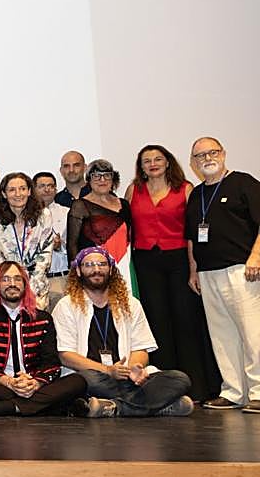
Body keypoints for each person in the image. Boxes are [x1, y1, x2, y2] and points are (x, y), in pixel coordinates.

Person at [126, 144, 219, 401]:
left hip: (179, 260)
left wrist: (193, 270)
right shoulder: (134, 190)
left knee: (186, 322)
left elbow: (192, 234)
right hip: (146, 263)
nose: (153, 164)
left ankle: (197, 388)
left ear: (168, 162)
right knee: (157, 324)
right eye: (147, 161)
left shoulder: (186, 188)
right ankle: (165, 389)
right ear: (141, 166)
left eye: (158, 159)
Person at [54, 247, 193, 417]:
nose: (96, 269)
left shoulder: (130, 304)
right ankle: (158, 406)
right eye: (89, 265)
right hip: (93, 376)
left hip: (126, 379)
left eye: (102, 264)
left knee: (179, 379)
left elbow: (141, 348)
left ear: (111, 269)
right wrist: (107, 370)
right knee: (83, 381)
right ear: (78, 270)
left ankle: (114, 407)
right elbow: (65, 355)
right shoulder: (66, 305)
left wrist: (134, 369)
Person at [186, 137, 260, 412]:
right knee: (222, 336)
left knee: (253, 335)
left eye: (212, 152)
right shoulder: (196, 194)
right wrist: (193, 271)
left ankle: (259, 391)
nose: (207, 158)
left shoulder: (243, 182)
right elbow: (191, 237)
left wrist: (256, 257)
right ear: (193, 163)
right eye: (200, 155)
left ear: (224, 153)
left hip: (242, 270)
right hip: (207, 274)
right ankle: (233, 391)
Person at [0, 261, 86, 416]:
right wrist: (9, 382)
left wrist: (35, 383)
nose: (12, 284)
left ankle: (6, 407)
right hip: (1, 384)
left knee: (77, 381)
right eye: (5, 279)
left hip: (33, 383)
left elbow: (51, 362)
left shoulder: (43, 318)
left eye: (17, 279)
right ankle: (50, 406)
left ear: (25, 284)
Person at [0, 172, 56, 308]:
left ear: (29, 191)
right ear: (4, 194)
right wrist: (11, 284)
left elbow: (45, 253)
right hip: (5, 288)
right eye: (12, 190)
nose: (18, 194)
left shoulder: (44, 215)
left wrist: (29, 290)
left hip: (36, 286)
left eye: (22, 189)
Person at [66, 160, 132, 270]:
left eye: (107, 175)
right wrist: (76, 271)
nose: (102, 180)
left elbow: (130, 237)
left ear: (113, 179)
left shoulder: (124, 204)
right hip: (94, 269)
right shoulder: (80, 206)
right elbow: (72, 245)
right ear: (89, 180)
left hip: (125, 264)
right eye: (96, 176)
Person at [32, 172, 71, 310]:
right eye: (42, 186)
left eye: (51, 186)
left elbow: (74, 246)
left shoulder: (67, 213)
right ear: (33, 189)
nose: (47, 189)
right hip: (35, 279)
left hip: (60, 278)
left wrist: (60, 246)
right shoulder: (26, 215)